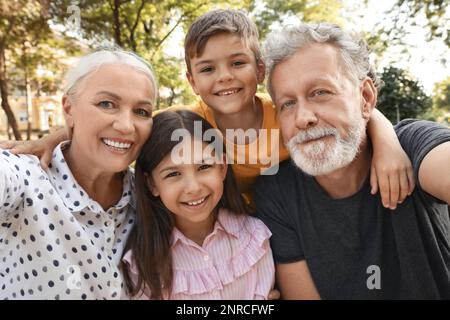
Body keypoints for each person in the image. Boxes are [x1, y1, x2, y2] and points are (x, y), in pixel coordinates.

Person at [1, 9, 415, 210]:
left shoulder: (286, 112)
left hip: (288, 220)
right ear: (191, 79)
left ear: (259, 68)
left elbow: (352, 110)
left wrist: (388, 138)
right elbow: (124, 131)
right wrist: (60, 134)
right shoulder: (189, 123)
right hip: (223, 222)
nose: (225, 78)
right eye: (207, 69)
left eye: (237, 63)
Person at [254, 22, 450, 299]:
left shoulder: (414, 145)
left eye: (320, 92)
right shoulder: (277, 192)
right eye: (288, 104)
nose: (302, 118)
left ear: (366, 97)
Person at [0, 49, 158, 299]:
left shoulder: (150, 194)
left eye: (141, 112)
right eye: (107, 104)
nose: (126, 126)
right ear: (69, 108)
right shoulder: (25, 178)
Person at [121, 110, 275, 299]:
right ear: (152, 184)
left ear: (222, 168)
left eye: (204, 167)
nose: (193, 188)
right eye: (173, 174)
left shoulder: (255, 237)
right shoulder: (143, 263)